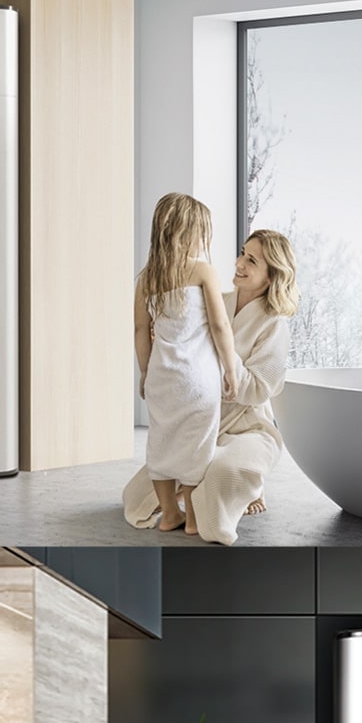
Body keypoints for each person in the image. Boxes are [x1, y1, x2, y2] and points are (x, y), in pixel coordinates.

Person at [124, 228, 299, 544]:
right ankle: (198, 492)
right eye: (242, 253)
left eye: (252, 261)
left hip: (248, 429)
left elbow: (257, 390)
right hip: (201, 421)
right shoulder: (216, 300)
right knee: (137, 496)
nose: (239, 263)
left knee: (220, 474)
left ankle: (249, 485)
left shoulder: (274, 325)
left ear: (272, 275)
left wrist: (219, 348)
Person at [135, 192, 239, 535]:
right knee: (197, 446)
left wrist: (145, 372)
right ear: (189, 234)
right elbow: (220, 326)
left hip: (162, 377)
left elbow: (141, 330)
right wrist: (230, 369)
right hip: (198, 379)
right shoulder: (203, 271)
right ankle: (193, 518)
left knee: (161, 442)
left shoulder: (147, 279)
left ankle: (169, 514)